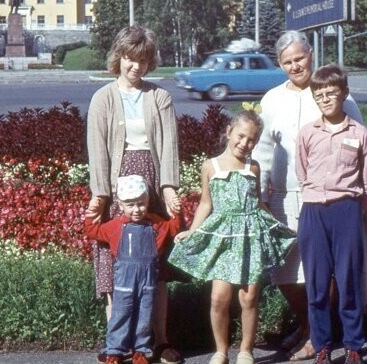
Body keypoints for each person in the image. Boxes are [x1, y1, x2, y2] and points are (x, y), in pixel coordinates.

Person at [253, 31, 367, 361]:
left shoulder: (338, 94)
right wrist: (261, 192)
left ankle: (318, 336)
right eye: (287, 62)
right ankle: (307, 325)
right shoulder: (272, 99)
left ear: (311, 55)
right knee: (286, 271)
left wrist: (359, 198)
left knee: (331, 272)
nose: (294, 65)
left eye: (299, 58)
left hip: (336, 198)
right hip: (286, 194)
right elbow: (265, 148)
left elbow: (359, 146)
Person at [168, 110, 296, 364]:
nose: (244, 143)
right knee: (219, 298)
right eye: (240, 136)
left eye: (251, 140)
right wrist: (193, 231)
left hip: (250, 236)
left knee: (249, 297)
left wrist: (276, 226)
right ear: (229, 132)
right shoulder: (211, 166)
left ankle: (246, 350)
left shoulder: (253, 167)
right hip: (225, 239)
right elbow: (206, 203)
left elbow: (258, 203)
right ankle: (221, 351)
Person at [87, 25, 182, 364]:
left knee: (154, 267)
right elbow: (97, 150)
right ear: (119, 58)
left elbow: (169, 146)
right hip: (116, 187)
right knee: (116, 266)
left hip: (153, 186)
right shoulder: (103, 98)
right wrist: (100, 194)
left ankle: (158, 340)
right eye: (129, 58)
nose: (135, 67)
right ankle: (118, 343)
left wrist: (169, 187)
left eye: (142, 60)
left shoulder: (160, 97)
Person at [296, 64, 367, 364]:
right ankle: (322, 346)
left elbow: (366, 180)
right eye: (319, 95)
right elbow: (302, 171)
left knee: (349, 282)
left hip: (347, 211)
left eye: (331, 93)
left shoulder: (361, 134)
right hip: (313, 211)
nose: (325, 99)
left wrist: (353, 208)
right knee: (317, 285)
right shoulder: (307, 134)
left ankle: (354, 346)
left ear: (344, 93)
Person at [84, 175, 183, 364]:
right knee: (120, 314)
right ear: (120, 205)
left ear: (147, 202)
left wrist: (176, 211)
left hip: (148, 283)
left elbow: (174, 228)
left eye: (141, 204)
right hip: (124, 283)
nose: (136, 210)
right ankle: (115, 350)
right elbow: (93, 231)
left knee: (145, 316)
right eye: (130, 205)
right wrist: (92, 213)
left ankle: (142, 351)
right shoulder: (115, 226)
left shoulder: (156, 224)